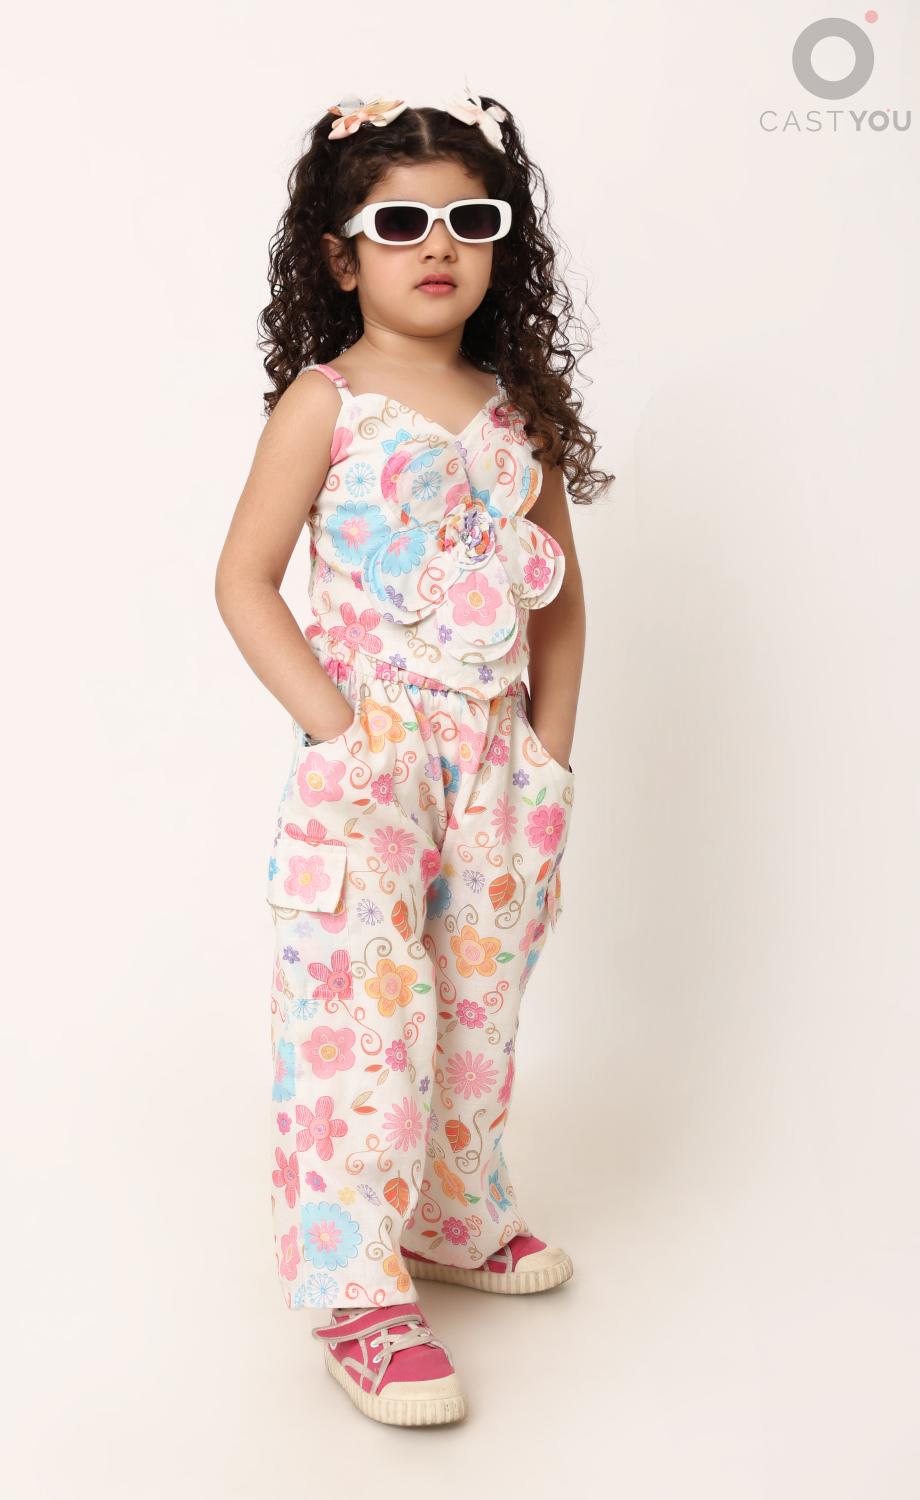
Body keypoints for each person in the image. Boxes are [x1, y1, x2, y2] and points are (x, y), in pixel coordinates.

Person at [215, 83, 613, 1427]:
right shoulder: (324, 403)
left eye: (469, 221)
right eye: (400, 224)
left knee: (481, 1002)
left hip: (497, 767)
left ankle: (453, 1214)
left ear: (502, 247)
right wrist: (341, 734)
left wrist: (547, 764)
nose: (437, 244)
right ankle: (355, 1291)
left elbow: (563, 607)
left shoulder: (514, 414)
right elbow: (245, 582)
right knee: (366, 1021)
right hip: (369, 764)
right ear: (343, 258)